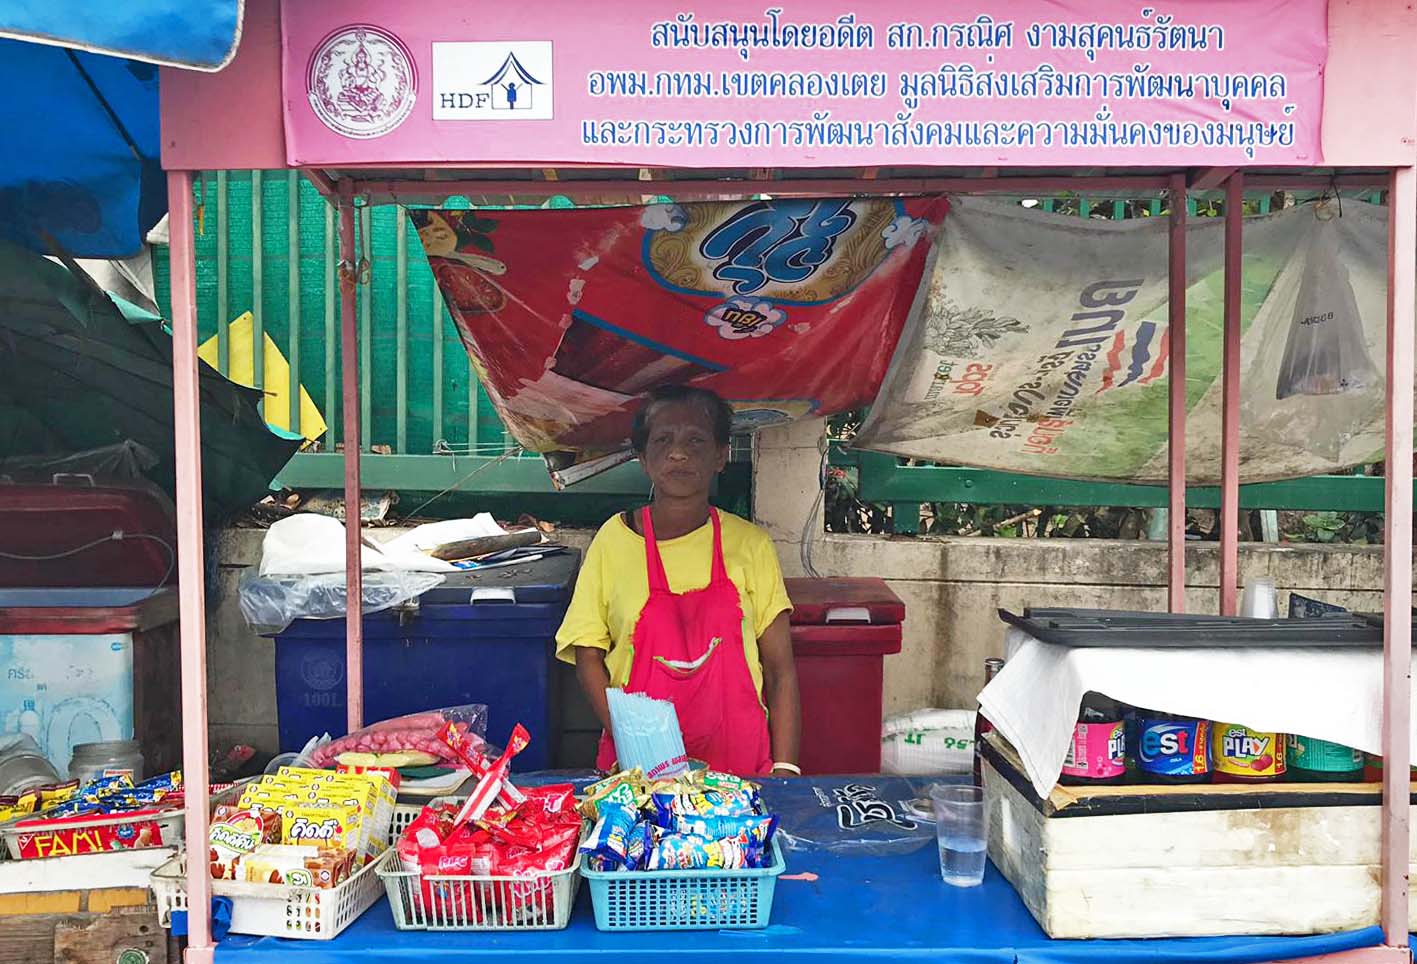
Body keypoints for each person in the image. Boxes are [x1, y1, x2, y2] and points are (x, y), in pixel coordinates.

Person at [556, 385, 802, 777]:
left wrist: (786, 770)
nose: (679, 453)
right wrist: (634, 741)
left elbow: (780, 670)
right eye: (663, 440)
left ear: (721, 455)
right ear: (642, 457)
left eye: (696, 440)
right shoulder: (613, 541)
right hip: (640, 773)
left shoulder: (750, 545)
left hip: (739, 775)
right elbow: (588, 657)